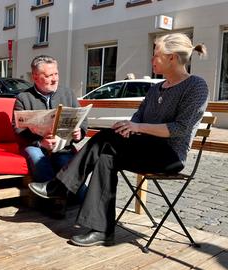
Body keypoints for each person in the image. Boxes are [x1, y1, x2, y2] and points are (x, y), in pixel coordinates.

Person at [28, 33, 209, 246]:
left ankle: (60, 186)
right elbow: (138, 118)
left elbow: (180, 128)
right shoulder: (155, 88)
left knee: (105, 138)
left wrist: (137, 127)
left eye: (156, 55)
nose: (152, 60)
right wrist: (127, 128)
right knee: (106, 157)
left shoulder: (196, 86)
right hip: (143, 149)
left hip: (169, 155)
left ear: (172, 58)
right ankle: (101, 230)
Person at [13, 55, 88, 216]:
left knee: (82, 195)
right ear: (35, 77)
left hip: (63, 146)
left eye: (56, 74)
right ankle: (55, 200)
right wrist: (40, 143)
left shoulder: (67, 93)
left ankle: (59, 196)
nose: (54, 79)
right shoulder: (23, 98)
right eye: (48, 76)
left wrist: (78, 133)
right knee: (36, 156)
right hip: (37, 145)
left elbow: (82, 122)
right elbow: (18, 129)